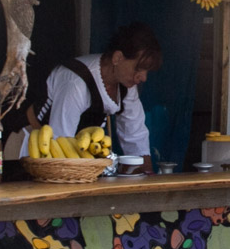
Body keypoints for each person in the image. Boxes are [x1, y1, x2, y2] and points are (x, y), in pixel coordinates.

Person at [23, 22, 161, 163]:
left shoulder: (126, 83)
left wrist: (146, 171)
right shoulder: (75, 83)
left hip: (79, 159)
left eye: (146, 71)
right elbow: (60, 141)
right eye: (138, 69)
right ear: (117, 58)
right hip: (40, 154)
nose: (143, 78)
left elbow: (135, 134)